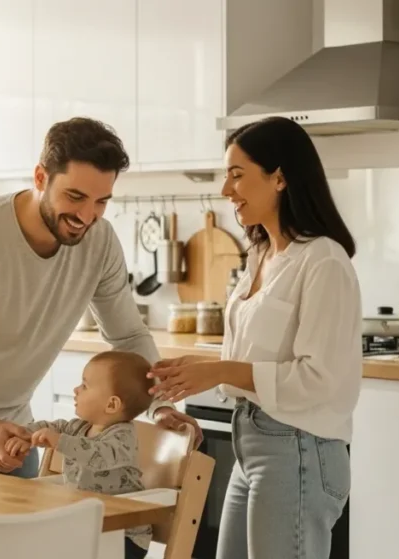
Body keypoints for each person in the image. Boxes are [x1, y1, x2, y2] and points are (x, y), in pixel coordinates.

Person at [0, 116, 200, 478]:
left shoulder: (100, 242)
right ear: (40, 178)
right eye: (75, 196)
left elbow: (128, 337)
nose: (87, 216)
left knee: (20, 534)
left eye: (101, 201)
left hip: (13, 420)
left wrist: (158, 404)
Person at [146, 116, 362, 559]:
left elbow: (320, 379)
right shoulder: (261, 254)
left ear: (280, 177)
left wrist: (218, 371)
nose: (226, 190)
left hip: (298, 450)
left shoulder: (323, 261)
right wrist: (194, 383)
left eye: (237, 175)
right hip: (253, 440)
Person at [5, 351, 154, 559]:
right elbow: (53, 427)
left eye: (85, 385)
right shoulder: (79, 427)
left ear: (111, 404)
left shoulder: (122, 437)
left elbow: (99, 455)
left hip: (122, 533)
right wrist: (26, 435)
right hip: (87, 526)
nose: (76, 390)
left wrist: (58, 441)